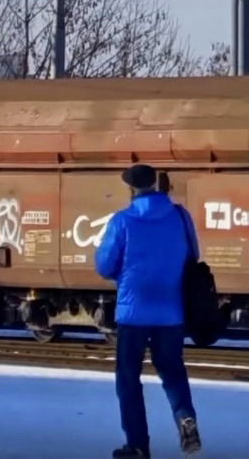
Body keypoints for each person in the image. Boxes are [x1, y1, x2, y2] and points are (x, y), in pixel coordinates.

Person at [96, 164, 201, 458]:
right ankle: (185, 418)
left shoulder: (122, 221)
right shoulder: (180, 217)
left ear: (131, 188)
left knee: (128, 378)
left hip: (133, 313)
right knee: (172, 370)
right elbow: (194, 255)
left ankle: (137, 445)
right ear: (156, 185)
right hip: (171, 311)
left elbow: (104, 266)